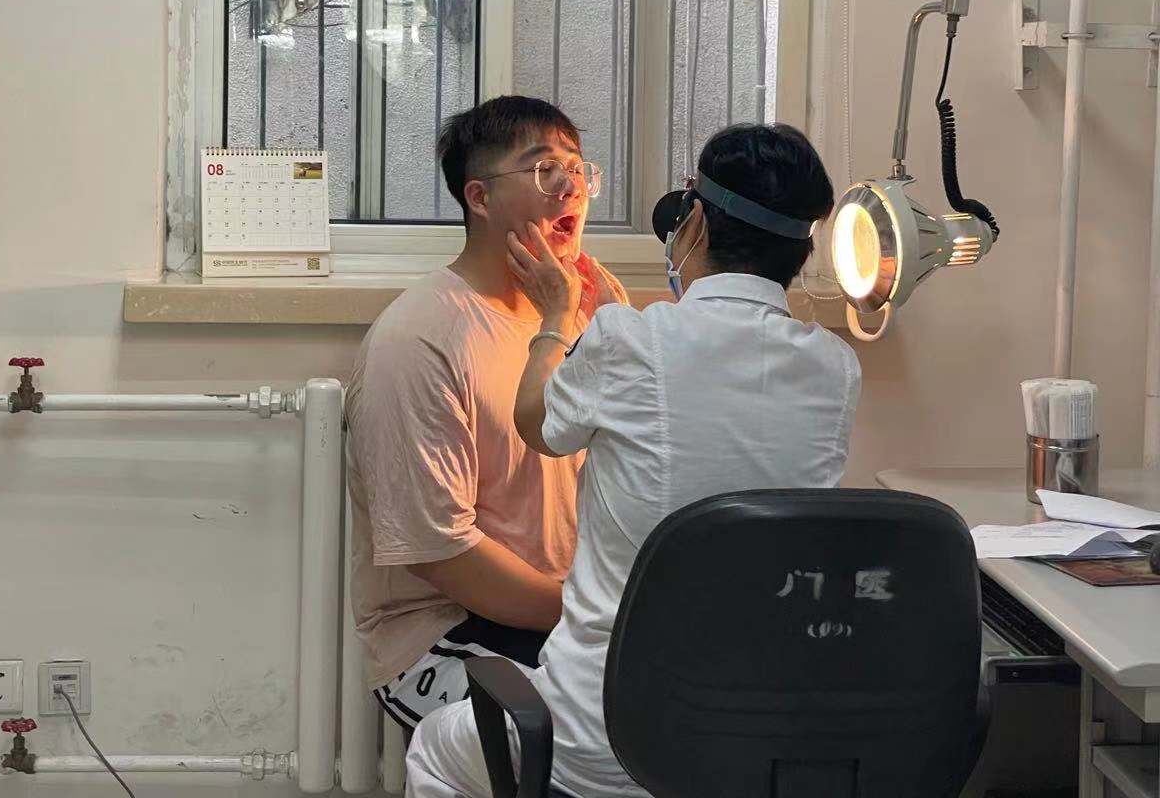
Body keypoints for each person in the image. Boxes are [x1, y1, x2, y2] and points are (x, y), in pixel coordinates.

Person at [405, 123, 861, 798]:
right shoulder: (835, 368)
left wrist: (555, 318)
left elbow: (537, 424)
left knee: (436, 747)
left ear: (693, 223)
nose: (569, 191)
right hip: (754, 740)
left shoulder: (628, 339)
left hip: (607, 735)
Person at [346, 95, 627, 730]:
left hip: (569, 611)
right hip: (445, 633)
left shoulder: (585, 307)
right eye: (544, 169)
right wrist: (594, 613)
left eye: (577, 170)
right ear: (480, 197)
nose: (569, 189)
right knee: (607, 732)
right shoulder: (420, 336)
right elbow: (442, 554)